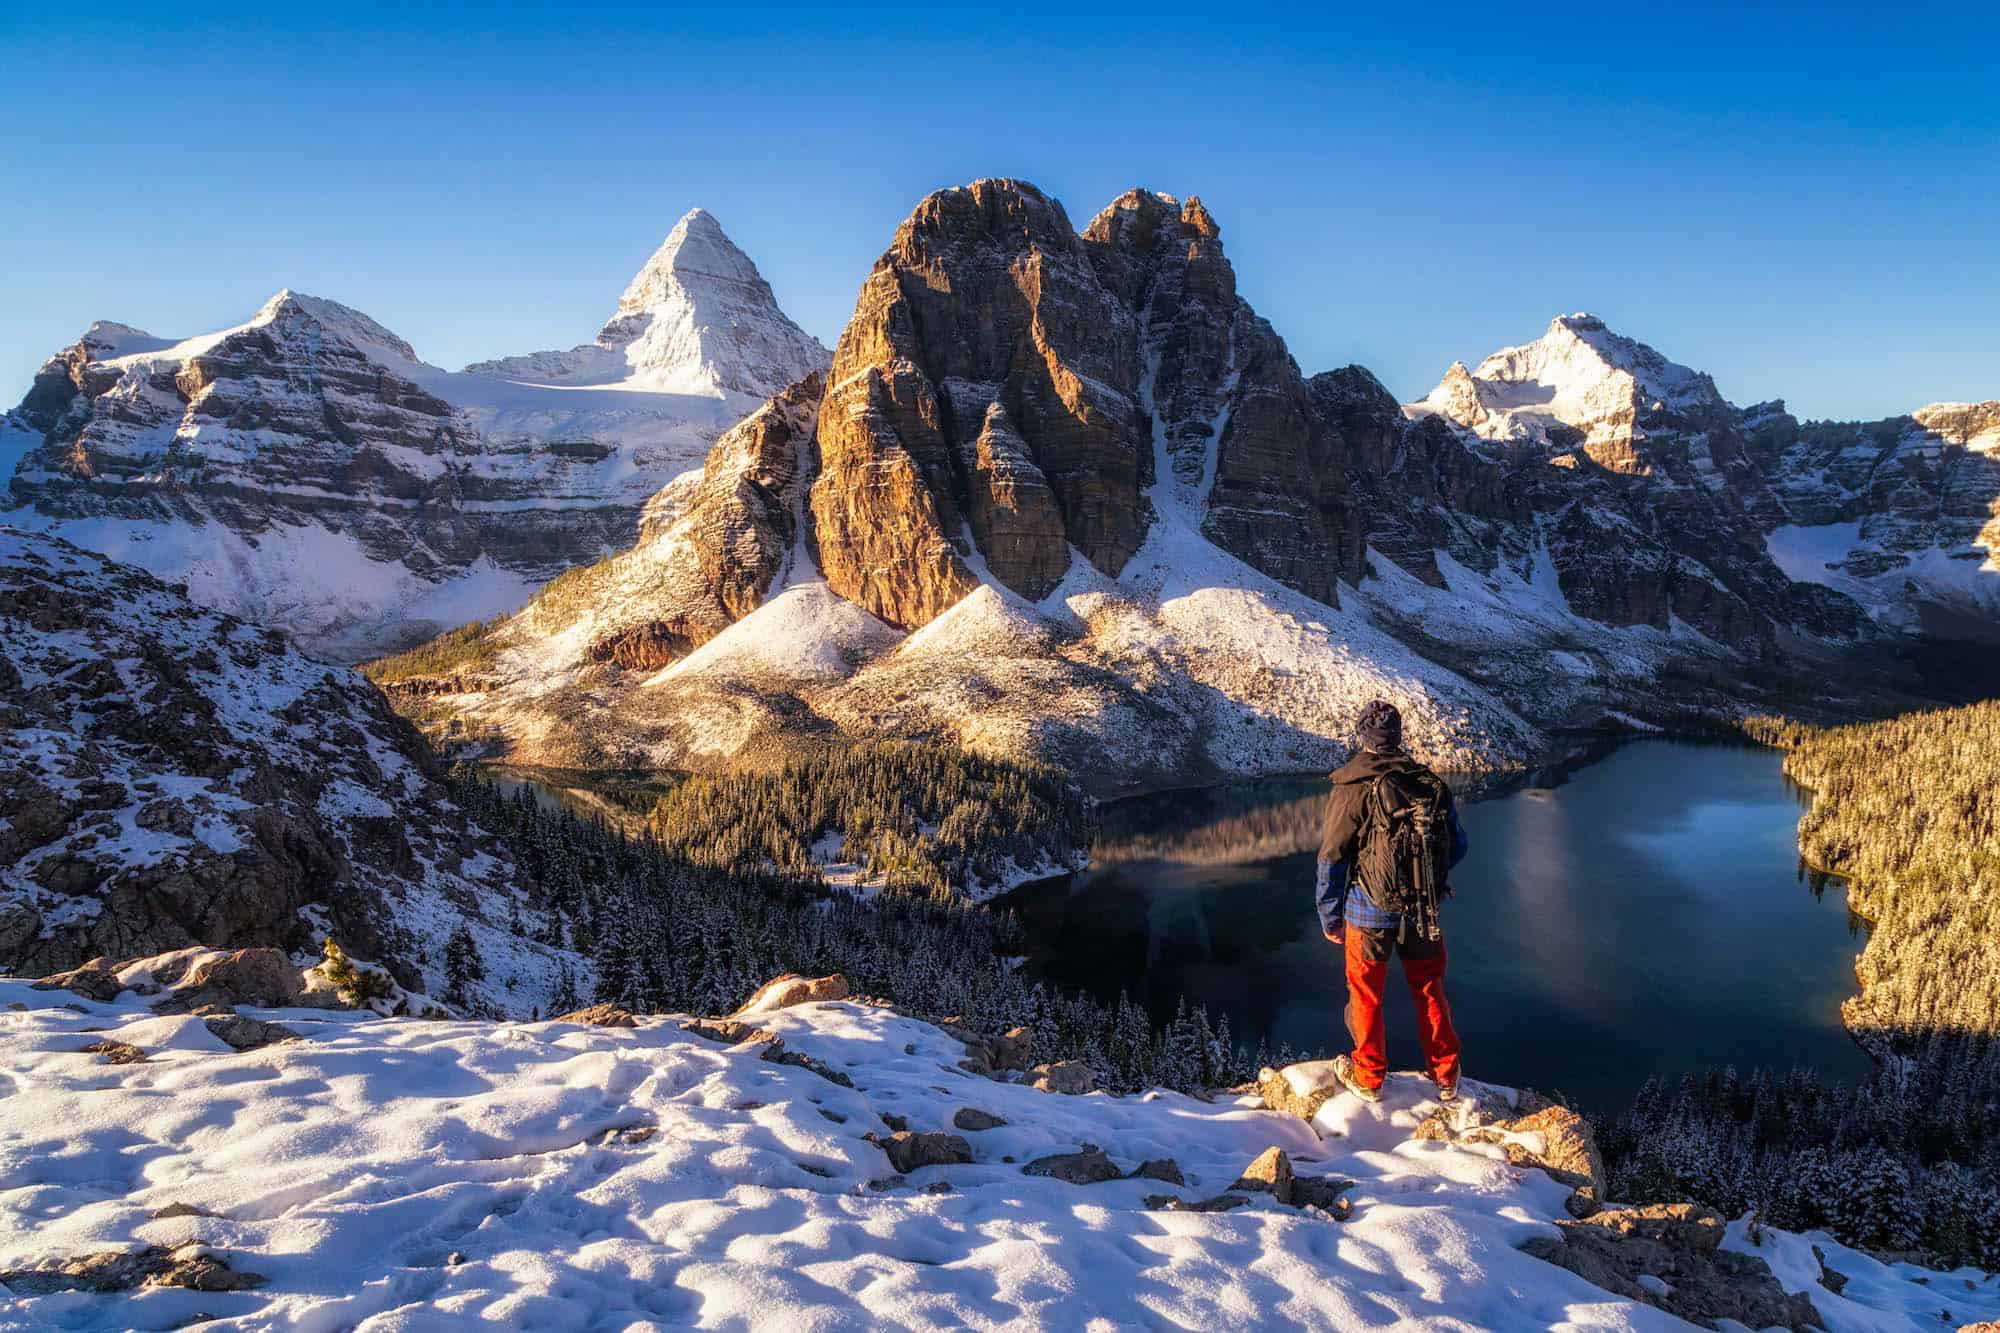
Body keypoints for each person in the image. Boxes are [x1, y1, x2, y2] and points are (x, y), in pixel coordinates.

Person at [1315, 699, 1468, 1104]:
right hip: (1423, 909)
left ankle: (1369, 1077)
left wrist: (1331, 917)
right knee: (1429, 989)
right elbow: (1458, 846)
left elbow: (1332, 856)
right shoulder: (1427, 782)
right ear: (1398, 736)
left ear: (1363, 737)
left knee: (1365, 994)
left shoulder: (1353, 786)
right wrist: (1426, 880)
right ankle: (1446, 1075)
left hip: (1368, 911)